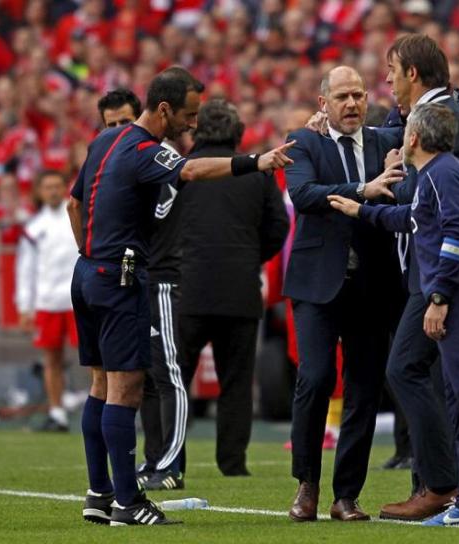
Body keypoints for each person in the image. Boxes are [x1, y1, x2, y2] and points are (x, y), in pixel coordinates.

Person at [67, 66, 295, 526]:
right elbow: (191, 170)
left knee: (100, 385)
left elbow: (74, 204)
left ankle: (99, 493)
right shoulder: (145, 150)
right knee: (127, 388)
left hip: (88, 272)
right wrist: (256, 162)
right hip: (121, 276)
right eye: (189, 115)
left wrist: (89, 254)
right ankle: (128, 503)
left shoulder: (101, 142)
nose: (193, 123)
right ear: (164, 109)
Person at [328, 102, 459, 527]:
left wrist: (439, 296)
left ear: (414, 137)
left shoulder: (442, 174)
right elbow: (413, 218)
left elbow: (457, 234)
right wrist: (362, 210)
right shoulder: (437, 173)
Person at [283, 66, 402, 523]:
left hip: (372, 284)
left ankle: (346, 495)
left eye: (358, 95)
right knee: (315, 379)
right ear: (323, 104)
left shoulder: (385, 141)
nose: (352, 104)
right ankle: (307, 483)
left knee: (365, 390)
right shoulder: (303, 141)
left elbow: (420, 127)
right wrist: (362, 190)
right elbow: (303, 194)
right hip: (317, 283)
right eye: (342, 97)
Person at [179, 99, 289, 477]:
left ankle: (167, 460)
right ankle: (233, 463)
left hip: (187, 288)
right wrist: (251, 256)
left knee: (173, 381)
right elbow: (278, 226)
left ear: (196, 131)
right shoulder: (256, 172)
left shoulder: (181, 171)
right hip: (239, 288)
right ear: (237, 132)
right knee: (237, 382)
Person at [96, 87, 190, 491]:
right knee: (143, 376)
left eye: (124, 121)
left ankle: (171, 464)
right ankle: (152, 461)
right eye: (111, 125)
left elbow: (158, 212)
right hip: (133, 276)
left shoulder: (159, 157)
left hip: (162, 275)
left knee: (167, 372)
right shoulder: (112, 158)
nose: (118, 129)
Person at [16, 170, 79, 432]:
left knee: (93, 358)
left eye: (57, 186)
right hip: (48, 301)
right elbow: (26, 269)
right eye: (48, 187)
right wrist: (25, 307)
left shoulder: (77, 216)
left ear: (65, 188)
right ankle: (57, 413)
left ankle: (101, 407)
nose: (53, 191)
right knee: (51, 360)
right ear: (40, 192)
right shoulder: (33, 228)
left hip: (78, 300)